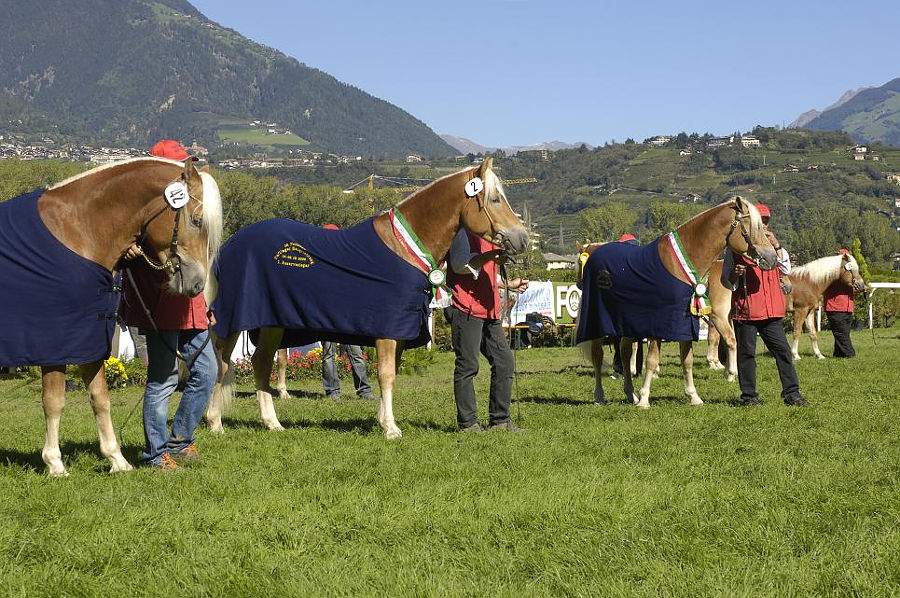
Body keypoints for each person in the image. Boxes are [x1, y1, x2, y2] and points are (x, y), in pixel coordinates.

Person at [118, 139, 216, 470]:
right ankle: (155, 453)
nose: (185, 173)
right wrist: (128, 249)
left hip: (192, 307)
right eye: (179, 167)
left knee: (207, 372)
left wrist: (207, 302)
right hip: (159, 306)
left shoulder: (184, 209)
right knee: (164, 379)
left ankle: (180, 441)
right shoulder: (141, 208)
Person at [722, 202, 809, 407]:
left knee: (783, 352)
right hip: (747, 311)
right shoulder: (735, 250)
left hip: (772, 312)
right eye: (761, 222)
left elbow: (786, 269)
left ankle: (792, 394)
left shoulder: (773, 245)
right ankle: (749, 397)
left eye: (767, 221)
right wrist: (735, 274)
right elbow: (726, 281)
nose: (765, 226)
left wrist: (777, 245)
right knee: (746, 355)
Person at [446, 229, 529, 432]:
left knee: (504, 363)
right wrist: (489, 256)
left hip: (489, 310)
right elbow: (460, 265)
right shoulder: (462, 233)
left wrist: (509, 284)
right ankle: (468, 424)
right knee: (468, 366)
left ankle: (500, 422)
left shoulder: (488, 237)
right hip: (466, 308)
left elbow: (486, 272)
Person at [317, 223, 375, 400]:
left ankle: (363, 390)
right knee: (329, 354)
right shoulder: (319, 261)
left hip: (347, 314)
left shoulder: (347, 259)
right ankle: (333, 391)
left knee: (355, 352)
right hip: (327, 314)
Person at [610, 233, 644, 380]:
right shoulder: (642, 261)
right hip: (638, 305)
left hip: (623, 306)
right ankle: (637, 370)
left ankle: (619, 369)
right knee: (638, 339)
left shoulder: (618, 263)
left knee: (619, 337)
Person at [823, 248, 857, 358]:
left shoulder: (849, 273)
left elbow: (851, 286)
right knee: (841, 334)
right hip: (835, 307)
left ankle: (838, 354)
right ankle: (850, 355)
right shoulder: (831, 273)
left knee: (843, 333)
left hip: (847, 306)